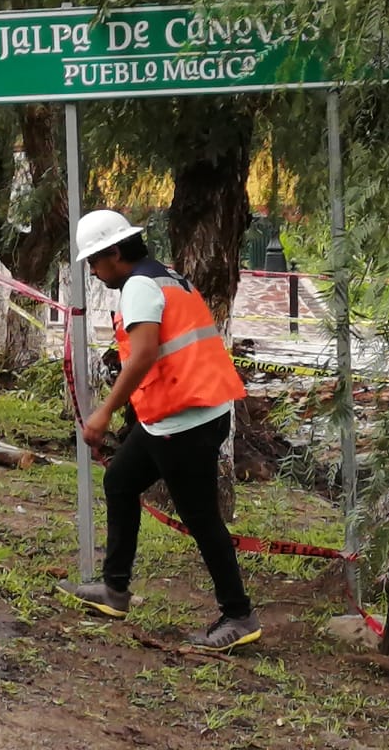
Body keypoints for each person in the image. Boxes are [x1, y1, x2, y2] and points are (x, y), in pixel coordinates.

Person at [58, 209, 261, 652]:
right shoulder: (168, 277)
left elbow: (145, 353)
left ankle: (239, 614)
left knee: (202, 519)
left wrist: (103, 412)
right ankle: (115, 590)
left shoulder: (139, 287)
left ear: (115, 253)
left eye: (94, 261)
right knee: (120, 481)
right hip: (180, 415)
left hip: (184, 422)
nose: (92, 270)